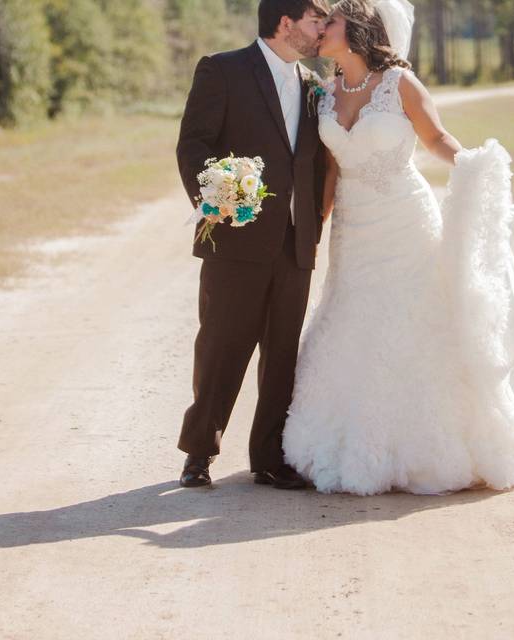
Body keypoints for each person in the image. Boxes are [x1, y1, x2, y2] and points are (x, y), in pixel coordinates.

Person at [281, 0, 514, 495]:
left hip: (405, 221)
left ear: (358, 29)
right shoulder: (324, 93)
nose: (320, 30)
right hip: (354, 231)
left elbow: (436, 138)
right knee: (353, 320)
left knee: (418, 318)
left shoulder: (399, 84)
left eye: (331, 22)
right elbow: (333, 171)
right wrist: (316, 228)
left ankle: (439, 439)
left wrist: (474, 166)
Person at [174, 0, 331, 489]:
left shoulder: (315, 87)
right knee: (222, 348)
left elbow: (317, 163)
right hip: (235, 242)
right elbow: (193, 145)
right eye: (315, 20)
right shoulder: (222, 71)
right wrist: (217, 199)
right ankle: (199, 453)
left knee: (282, 356)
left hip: (294, 244)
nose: (322, 29)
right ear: (286, 24)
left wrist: (313, 227)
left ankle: (269, 458)